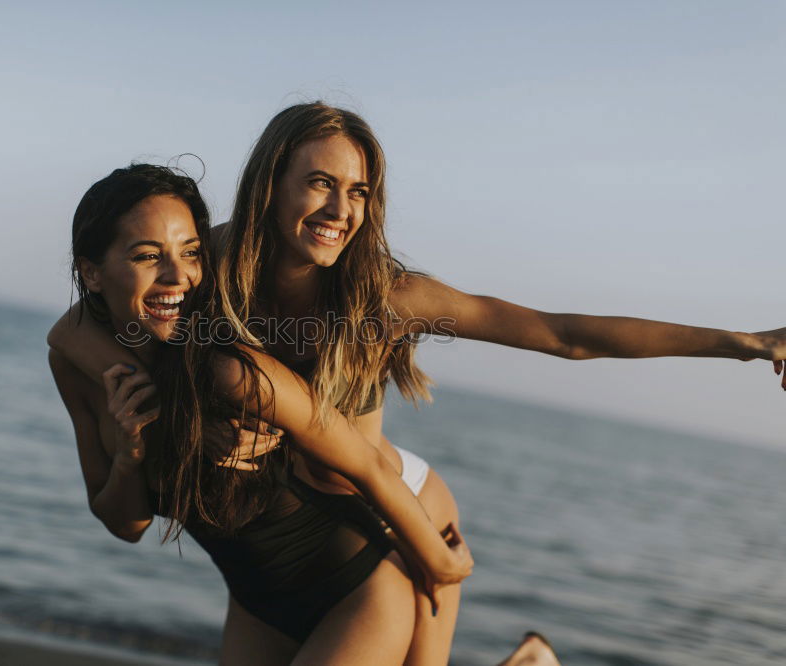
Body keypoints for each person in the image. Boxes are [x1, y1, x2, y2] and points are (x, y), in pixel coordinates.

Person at [50, 102, 786, 664]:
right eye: (320, 183)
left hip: (394, 515)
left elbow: (565, 336)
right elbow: (75, 326)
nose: (341, 210)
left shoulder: (386, 298)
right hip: (279, 541)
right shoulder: (204, 264)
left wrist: (745, 344)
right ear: (271, 184)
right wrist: (129, 401)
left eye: (360, 192)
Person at [48, 164, 477, 666]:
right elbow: (125, 525)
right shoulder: (79, 362)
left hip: (359, 580)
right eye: (146, 256)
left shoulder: (232, 366)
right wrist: (129, 451)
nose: (177, 275)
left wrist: (442, 566)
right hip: (256, 602)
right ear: (92, 271)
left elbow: (364, 463)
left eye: (191, 252)